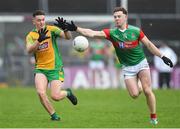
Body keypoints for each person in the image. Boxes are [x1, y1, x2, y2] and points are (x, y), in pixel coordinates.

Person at [59, 7, 174, 125]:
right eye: (115, 17)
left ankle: (153, 118)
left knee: (148, 91)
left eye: (119, 16)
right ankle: (139, 85)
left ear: (125, 17)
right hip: (128, 68)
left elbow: (149, 44)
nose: (116, 19)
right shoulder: (112, 33)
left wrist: (162, 56)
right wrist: (76, 28)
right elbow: (92, 33)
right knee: (134, 94)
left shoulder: (136, 31)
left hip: (141, 63)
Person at [25, 10, 77, 121]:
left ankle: (67, 93)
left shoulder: (51, 30)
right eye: (38, 20)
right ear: (33, 21)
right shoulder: (30, 35)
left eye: (43, 19)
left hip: (55, 67)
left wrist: (66, 29)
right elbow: (29, 50)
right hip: (40, 68)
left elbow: (68, 37)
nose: (41, 22)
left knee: (55, 96)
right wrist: (38, 40)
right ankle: (54, 116)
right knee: (40, 92)